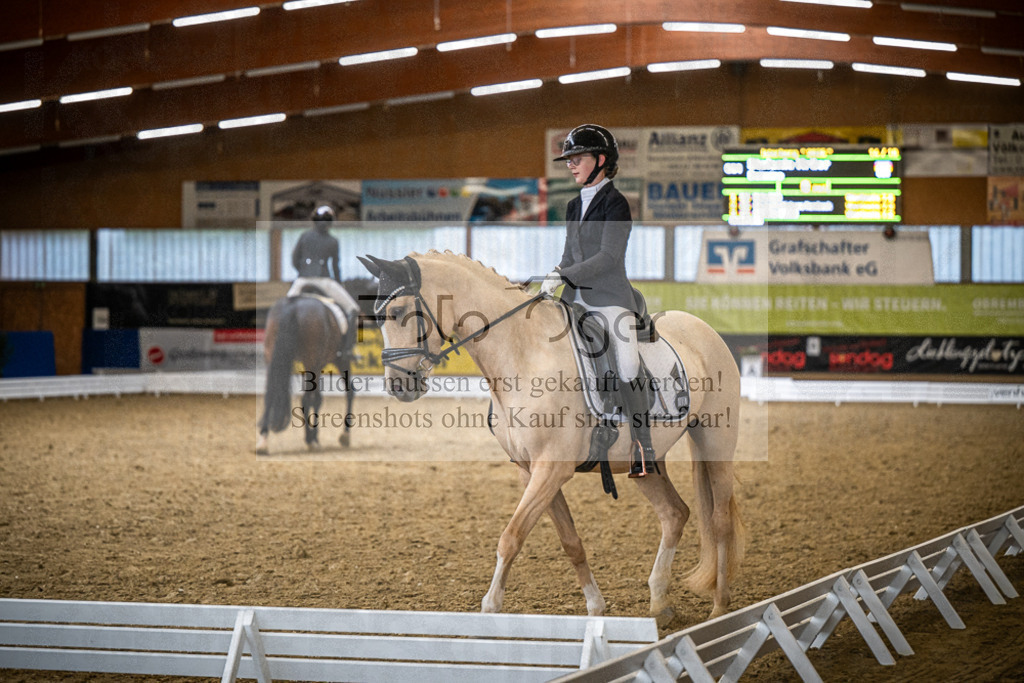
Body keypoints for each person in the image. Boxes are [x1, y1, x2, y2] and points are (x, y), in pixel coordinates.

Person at [539, 124, 655, 478]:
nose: (571, 164)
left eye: (578, 158)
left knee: (627, 362)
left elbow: (607, 257)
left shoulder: (617, 204)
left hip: (610, 299)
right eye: (569, 159)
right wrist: (553, 276)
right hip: (575, 300)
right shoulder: (574, 205)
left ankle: (642, 447)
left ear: (601, 160)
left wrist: (567, 275)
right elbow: (569, 255)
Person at [287, 205, 360, 357]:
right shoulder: (333, 241)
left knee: (285, 310)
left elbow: (294, 259)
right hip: (324, 280)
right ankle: (346, 349)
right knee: (353, 309)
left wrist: (303, 272)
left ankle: (281, 348)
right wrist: (340, 285)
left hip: (302, 280)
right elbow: (335, 266)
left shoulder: (304, 236)